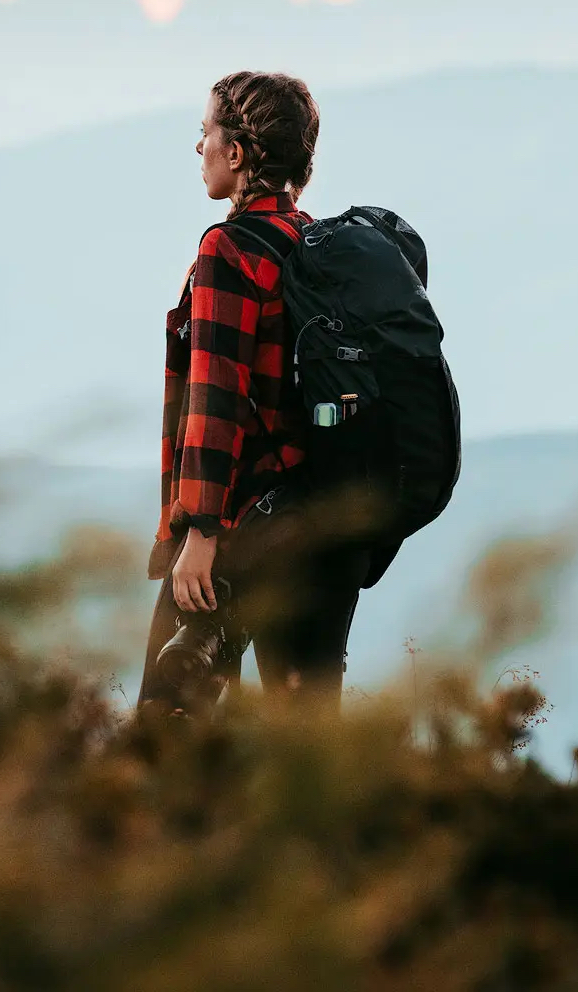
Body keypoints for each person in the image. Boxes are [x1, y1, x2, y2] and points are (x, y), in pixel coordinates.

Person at [136, 71, 370, 719]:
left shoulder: (230, 249)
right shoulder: (316, 244)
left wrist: (201, 532)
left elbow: (217, 398)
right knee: (308, 741)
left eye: (206, 133)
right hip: (322, 525)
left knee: (164, 734)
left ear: (236, 152)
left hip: (240, 532)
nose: (199, 147)